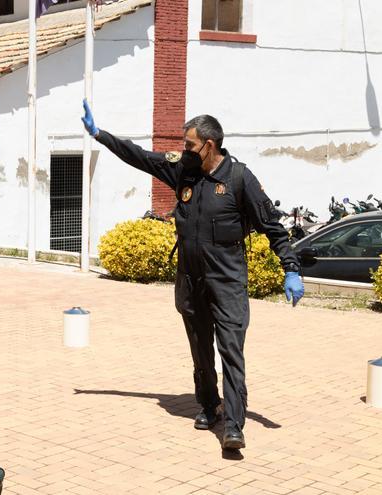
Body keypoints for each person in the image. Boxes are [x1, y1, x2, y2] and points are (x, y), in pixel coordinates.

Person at [81, 99, 304, 450]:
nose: (184, 149)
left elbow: (272, 226)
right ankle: (209, 405)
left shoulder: (239, 178)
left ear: (209, 145)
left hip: (227, 282)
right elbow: (141, 157)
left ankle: (234, 425)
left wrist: (291, 268)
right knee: (200, 350)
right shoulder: (184, 170)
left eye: (190, 144)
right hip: (190, 280)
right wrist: (100, 135)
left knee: (231, 351)